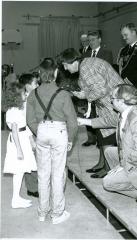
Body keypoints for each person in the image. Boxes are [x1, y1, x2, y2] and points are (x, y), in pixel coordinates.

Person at [26, 58, 78, 224]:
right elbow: (72, 121)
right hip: (59, 132)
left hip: (41, 131)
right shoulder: (63, 94)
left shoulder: (33, 94)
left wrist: (39, 131)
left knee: (42, 174)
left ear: (40, 75)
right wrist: (70, 139)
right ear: (56, 73)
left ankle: (42, 212)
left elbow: (29, 119)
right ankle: (57, 213)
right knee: (58, 173)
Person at [61, 48, 124, 178]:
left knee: (107, 138)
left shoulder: (85, 68)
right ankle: (102, 164)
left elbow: (100, 90)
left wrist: (84, 96)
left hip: (113, 104)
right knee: (101, 135)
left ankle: (108, 168)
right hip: (108, 102)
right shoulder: (87, 63)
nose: (65, 69)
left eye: (65, 65)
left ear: (73, 61)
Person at [3, 82, 37, 208]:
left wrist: (31, 140)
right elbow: (15, 132)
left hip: (23, 139)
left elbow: (25, 127)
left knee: (21, 171)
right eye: (24, 93)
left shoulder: (19, 108)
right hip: (18, 142)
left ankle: (16, 198)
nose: (26, 94)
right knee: (18, 170)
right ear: (17, 96)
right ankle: (15, 199)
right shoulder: (12, 111)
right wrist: (19, 150)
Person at [82, 30, 114, 147]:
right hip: (89, 91)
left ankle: (103, 141)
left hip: (102, 91)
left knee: (102, 117)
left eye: (93, 39)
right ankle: (91, 138)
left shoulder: (107, 53)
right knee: (89, 115)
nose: (91, 42)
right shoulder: (85, 54)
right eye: (89, 40)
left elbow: (105, 71)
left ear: (99, 40)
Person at [19, 73, 39, 198]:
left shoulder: (34, 97)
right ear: (27, 86)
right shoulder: (23, 100)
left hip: (36, 130)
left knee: (37, 160)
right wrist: (31, 139)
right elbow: (23, 122)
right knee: (30, 161)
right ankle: (32, 188)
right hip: (28, 134)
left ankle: (38, 184)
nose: (38, 85)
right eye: (35, 83)